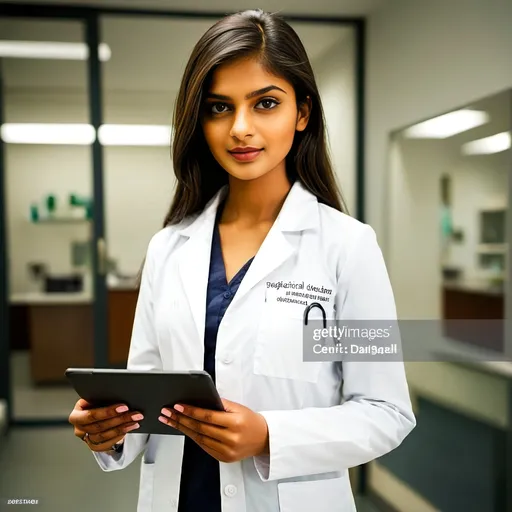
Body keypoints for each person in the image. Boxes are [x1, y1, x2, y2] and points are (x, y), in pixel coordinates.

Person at [68, 8, 415, 512]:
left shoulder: (347, 247)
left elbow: (386, 412)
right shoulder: (168, 248)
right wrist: (110, 430)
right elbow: (146, 403)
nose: (240, 128)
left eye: (266, 103)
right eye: (218, 108)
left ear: (303, 113)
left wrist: (269, 435)